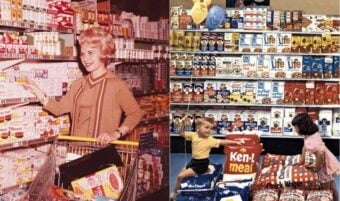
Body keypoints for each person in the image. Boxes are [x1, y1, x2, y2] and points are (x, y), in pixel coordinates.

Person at [23, 28, 143, 144]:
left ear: (104, 53)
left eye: (91, 53)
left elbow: (135, 114)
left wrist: (116, 134)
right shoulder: (78, 84)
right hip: (77, 151)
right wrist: (38, 92)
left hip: (103, 152)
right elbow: (58, 108)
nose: (85, 59)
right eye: (82, 54)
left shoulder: (117, 85)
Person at [170, 115, 244, 200]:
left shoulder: (210, 139)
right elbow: (181, 133)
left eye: (211, 128)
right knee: (180, 175)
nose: (209, 130)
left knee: (180, 176)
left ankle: (174, 194)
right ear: (198, 128)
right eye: (206, 127)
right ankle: (178, 190)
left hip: (201, 164)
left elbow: (223, 142)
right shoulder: (194, 135)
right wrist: (182, 123)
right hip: (193, 161)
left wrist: (236, 142)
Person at [292, 113, 339, 201]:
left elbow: (320, 155)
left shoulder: (312, 141)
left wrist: (316, 169)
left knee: (325, 189)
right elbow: (305, 147)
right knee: (332, 185)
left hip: (323, 166)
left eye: (296, 127)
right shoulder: (310, 135)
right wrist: (301, 161)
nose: (295, 130)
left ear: (302, 127)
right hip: (326, 161)